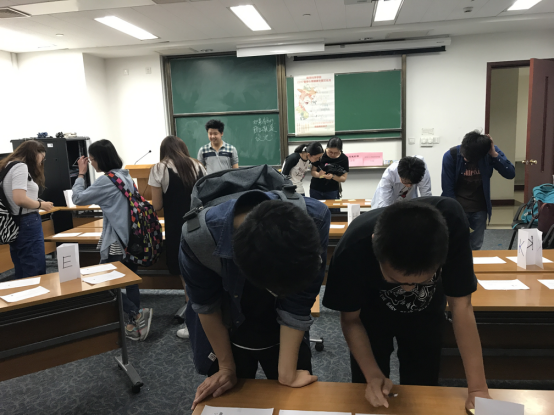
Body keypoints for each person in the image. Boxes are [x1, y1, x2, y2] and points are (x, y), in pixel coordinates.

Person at [323, 197, 491, 412]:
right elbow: (350, 320)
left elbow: (461, 306)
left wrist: (478, 389)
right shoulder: (351, 249)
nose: (408, 289)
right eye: (395, 281)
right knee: (370, 395)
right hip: (370, 317)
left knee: (423, 387)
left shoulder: (450, 223)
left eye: (420, 281)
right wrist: (372, 375)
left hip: (426, 314)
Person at [180, 191, 330, 410]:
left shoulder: (315, 218)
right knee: (230, 397)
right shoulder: (198, 238)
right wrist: (226, 368)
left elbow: (300, 300)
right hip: (227, 321)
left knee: (295, 402)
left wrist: (287, 373)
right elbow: (206, 304)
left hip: (283, 327)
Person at [73, 140, 152, 342]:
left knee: (104, 283)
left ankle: (137, 314)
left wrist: (81, 175)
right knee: (130, 281)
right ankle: (135, 326)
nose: (90, 163)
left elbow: (78, 199)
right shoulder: (125, 176)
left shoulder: (106, 181)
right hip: (132, 239)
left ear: (100, 159)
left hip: (116, 242)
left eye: (91, 160)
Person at [149, 135, 206, 339]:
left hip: (178, 228)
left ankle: (193, 326)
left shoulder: (159, 168)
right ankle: (209, 322)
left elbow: (157, 205)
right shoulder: (198, 166)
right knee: (204, 273)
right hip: (201, 224)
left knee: (186, 278)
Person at [442, 130, 515, 250]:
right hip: (458, 208)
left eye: (469, 158)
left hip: (479, 209)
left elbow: (510, 173)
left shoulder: (489, 153)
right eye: (464, 155)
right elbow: (447, 189)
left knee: (475, 246)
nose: (465, 159)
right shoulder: (451, 155)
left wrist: (494, 154)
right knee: (454, 245)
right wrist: (454, 212)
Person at [0, 140, 55, 279]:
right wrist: (41, 205)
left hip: (15, 221)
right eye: (42, 157)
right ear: (35, 154)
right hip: (27, 221)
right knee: (34, 267)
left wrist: (38, 201)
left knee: (22, 267)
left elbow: (13, 196)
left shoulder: (7, 166)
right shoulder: (21, 167)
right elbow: (20, 199)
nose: (41, 162)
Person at [309, 137, 349, 213]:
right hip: (316, 189)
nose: (332, 154)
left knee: (334, 214)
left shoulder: (344, 159)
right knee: (316, 212)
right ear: (327, 148)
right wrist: (319, 175)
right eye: (330, 152)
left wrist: (333, 177)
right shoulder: (320, 155)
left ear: (340, 150)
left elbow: (343, 178)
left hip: (332, 190)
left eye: (336, 153)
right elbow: (313, 172)